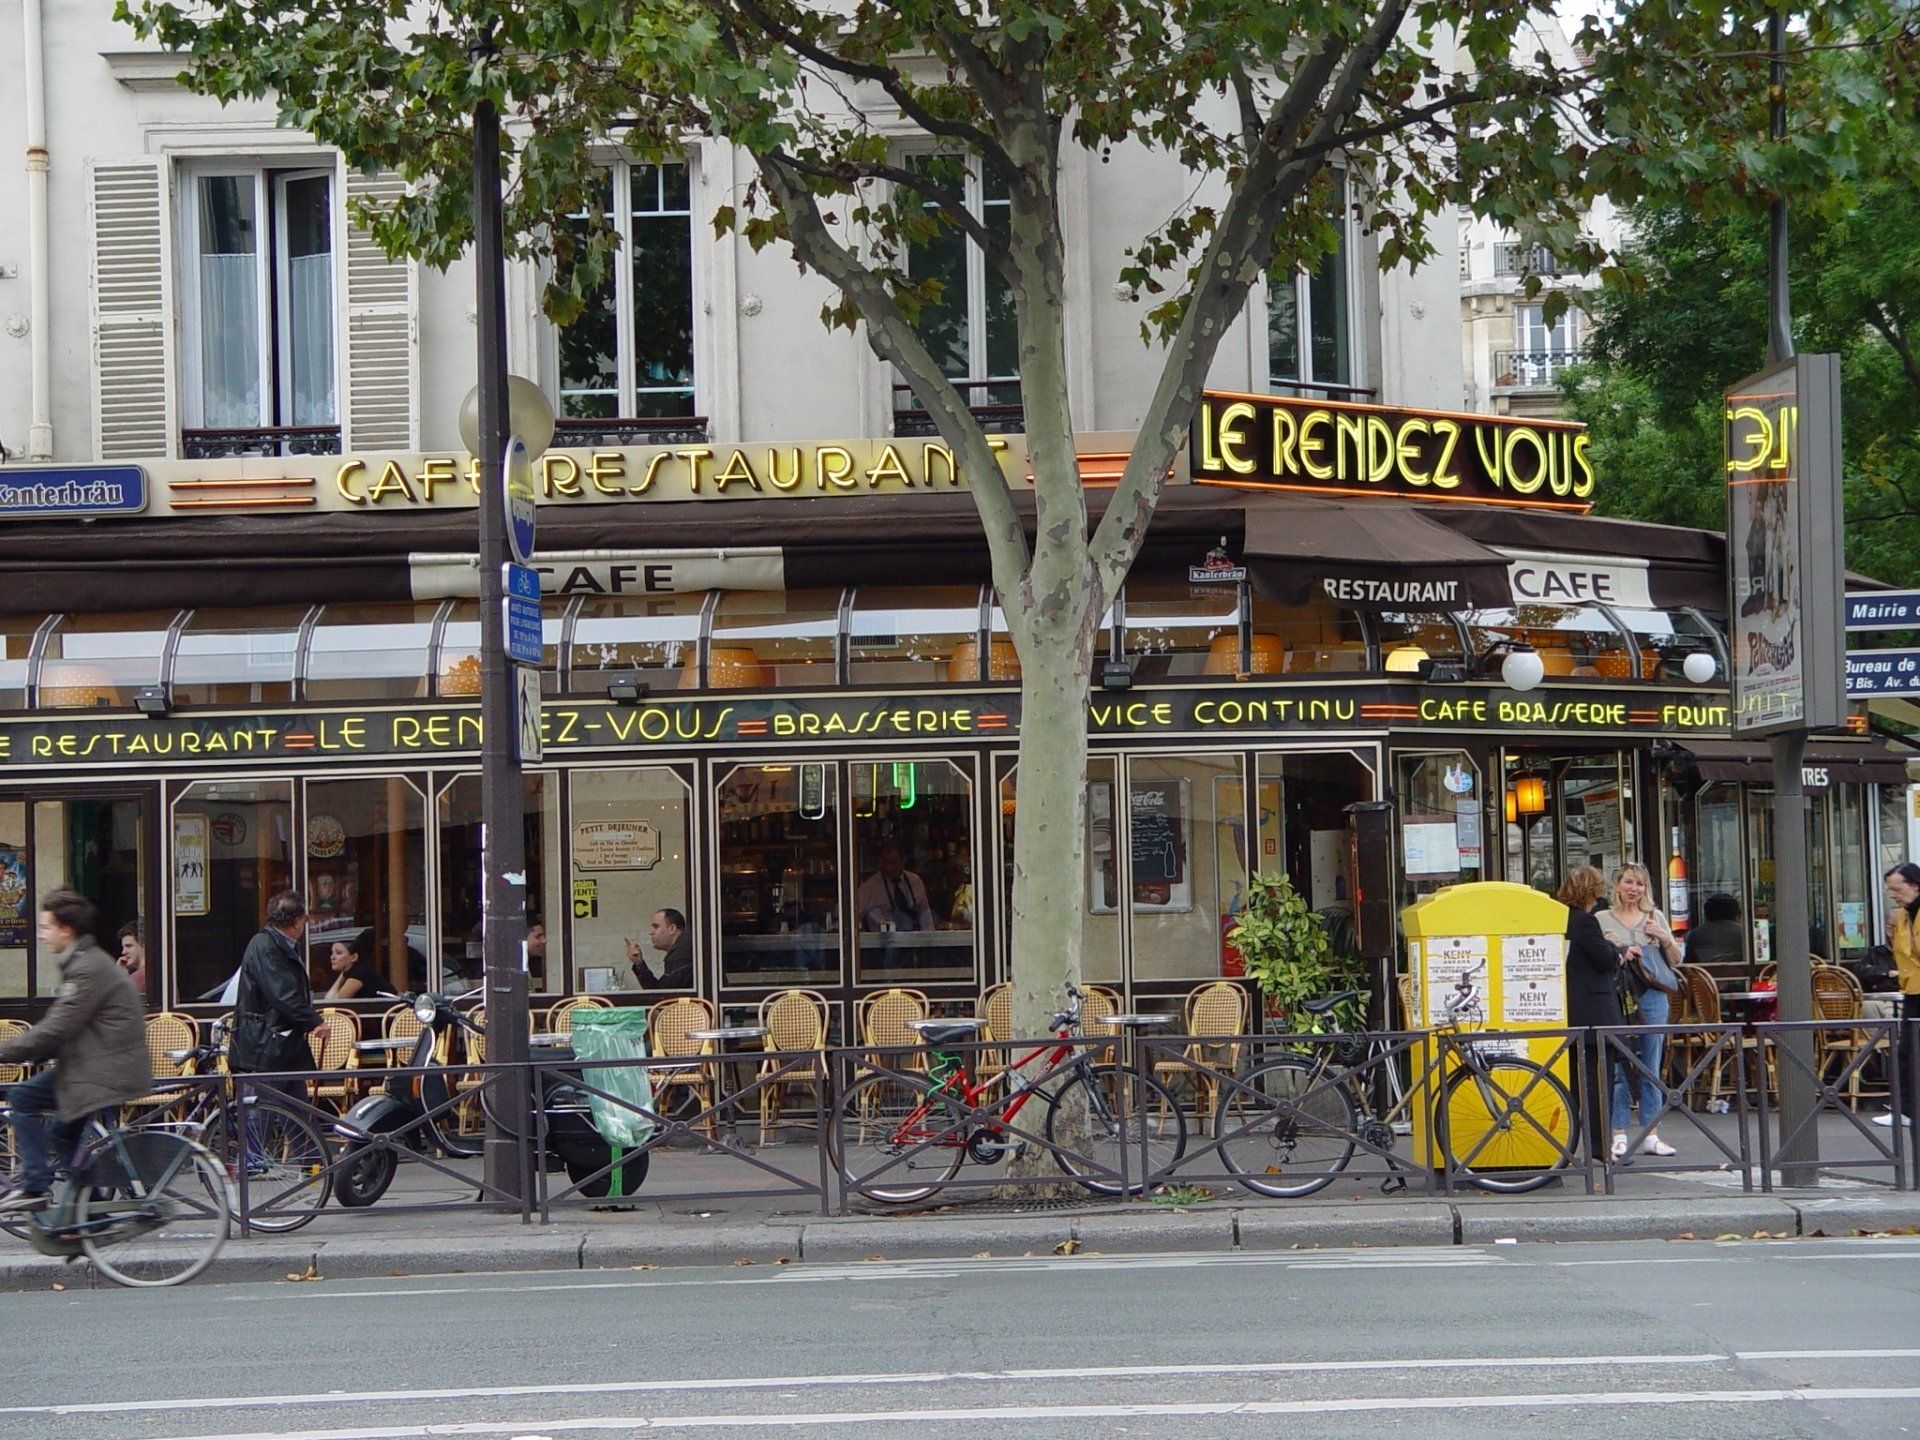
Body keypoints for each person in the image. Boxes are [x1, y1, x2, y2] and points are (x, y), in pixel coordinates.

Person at [0, 889, 150, 1213]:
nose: (42, 935)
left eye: (46, 927)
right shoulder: (84, 962)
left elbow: (58, 1027)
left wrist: (6, 1051)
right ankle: (93, 1216)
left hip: (101, 1072)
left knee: (23, 1097)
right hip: (100, 1066)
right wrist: (38, 1053)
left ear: (66, 930)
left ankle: (35, 1187)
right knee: (61, 1133)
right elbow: (71, 1025)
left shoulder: (87, 968)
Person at [1597, 863, 1682, 1159]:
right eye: (1629, 882)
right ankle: (1618, 1133)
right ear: (1617, 885)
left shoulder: (1654, 916)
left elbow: (1676, 959)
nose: (1634, 889)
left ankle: (1651, 1134)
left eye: (1640, 884)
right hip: (1618, 996)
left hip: (1652, 995)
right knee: (1620, 1064)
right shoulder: (1601, 919)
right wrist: (1614, 948)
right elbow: (1593, 960)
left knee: (1650, 1063)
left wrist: (1664, 937)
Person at [228, 891, 329, 1107]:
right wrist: (313, 1021)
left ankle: (303, 1133)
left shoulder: (274, 944)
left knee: (296, 1112)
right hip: (266, 1047)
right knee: (261, 1112)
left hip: (282, 1045)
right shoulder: (267, 946)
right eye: (304, 920)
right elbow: (283, 994)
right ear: (296, 922)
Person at [1558, 865, 1626, 1163]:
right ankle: (1599, 1148)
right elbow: (1605, 960)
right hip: (1594, 1013)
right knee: (1599, 1085)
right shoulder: (1586, 922)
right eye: (1597, 893)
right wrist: (1614, 946)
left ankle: (1566, 1146)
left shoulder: (1561, 918)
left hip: (1571, 1011)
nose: (1599, 899)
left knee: (1572, 1084)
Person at [1875, 862, 1920, 1128]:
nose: (1893, 895)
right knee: (1907, 1051)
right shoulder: (1902, 916)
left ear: (1915, 885)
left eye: (1897, 889)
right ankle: (1906, 1109)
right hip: (1913, 990)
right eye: (1890, 890)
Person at [855, 844, 935, 932]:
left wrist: (928, 937)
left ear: (903, 861)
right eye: (885, 863)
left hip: (913, 935)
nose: (889, 868)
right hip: (884, 938)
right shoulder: (870, 887)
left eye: (893, 863)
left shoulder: (915, 881)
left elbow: (925, 914)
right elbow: (854, 913)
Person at [626, 908, 694, 990]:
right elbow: (661, 991)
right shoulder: (685, 947)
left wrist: (640, 965)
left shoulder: (682, 952)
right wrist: (639, 963)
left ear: (672, 928)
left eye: (656, 927)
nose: (651, 932)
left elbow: (663, 993)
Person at [322, 928, 386, 1002]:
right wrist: (342, 974)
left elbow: (336, 1002)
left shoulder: (360, 972)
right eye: (332, 953)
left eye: (338, 953)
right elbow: (328, 1000)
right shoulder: (349, 972)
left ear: (354, 957)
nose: (332, 957)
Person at [116, 919, 147, 992]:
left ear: (143, 946)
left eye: (129, 946)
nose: (123, 952)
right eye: (123, 947)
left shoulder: (140, 977)